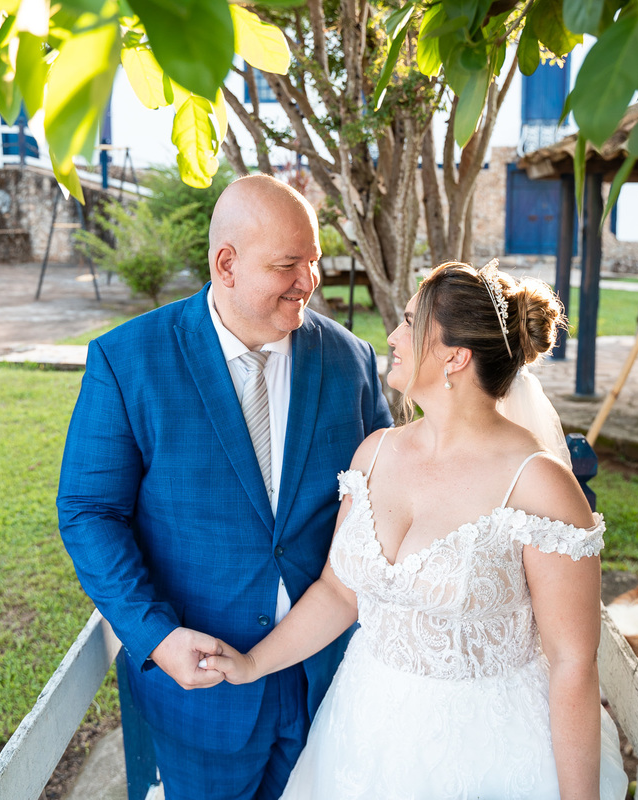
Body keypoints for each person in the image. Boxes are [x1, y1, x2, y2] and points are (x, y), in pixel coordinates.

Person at [203, 261, 629, 799]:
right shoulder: (375, 452)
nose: (393, 336)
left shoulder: (537, 485)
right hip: (362, 730)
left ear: (455, 356)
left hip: (485, 751)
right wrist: (251, 663)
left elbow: (571, 663)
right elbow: (339, 592)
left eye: (410, 322)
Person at [56, 174, 392, 799]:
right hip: (201, 691)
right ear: (227, 264)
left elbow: (382, 503)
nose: (309, 281)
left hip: (331, 676)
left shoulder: (350, 359)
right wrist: (156, 635)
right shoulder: (127, 362)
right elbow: (89, 512)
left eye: (313, 261)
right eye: (288, 264)